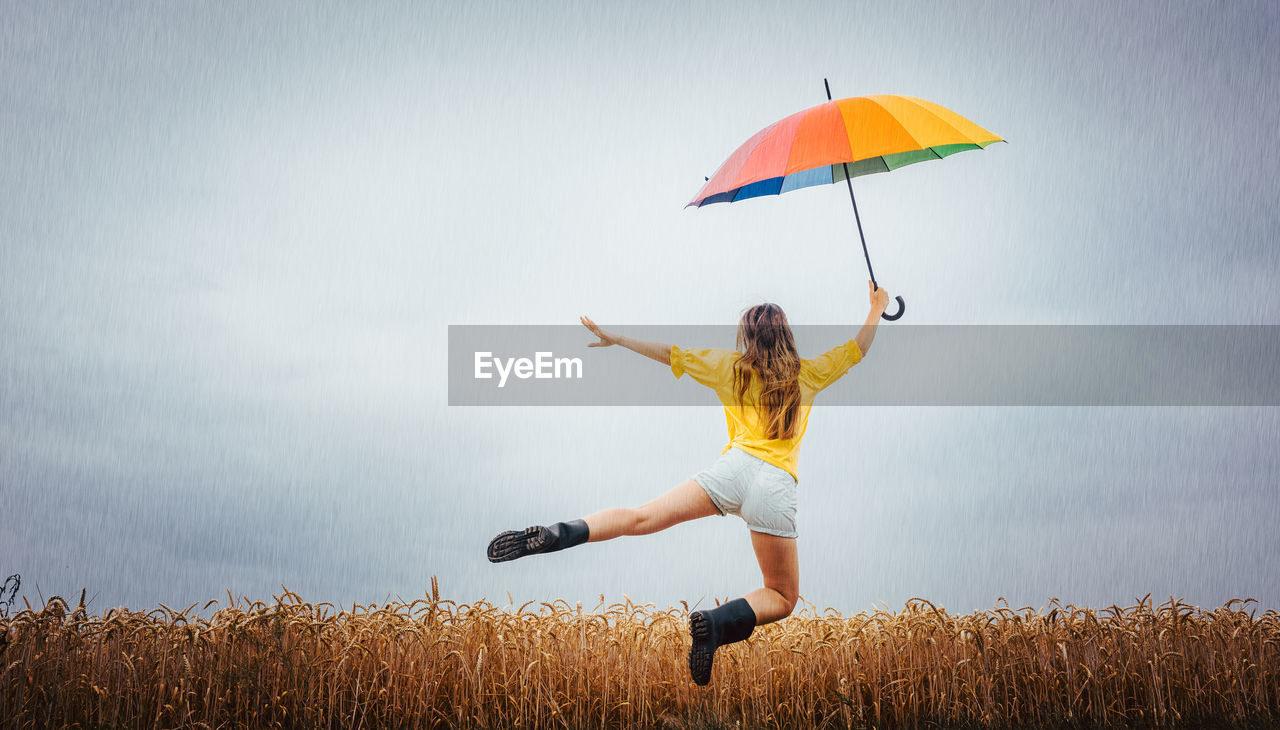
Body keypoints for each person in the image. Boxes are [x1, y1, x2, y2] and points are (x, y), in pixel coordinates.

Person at [487, 280, 891, 685]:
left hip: (731, 472)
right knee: (782, 596)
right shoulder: (810, 374)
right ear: (786, 335)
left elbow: (669, 354)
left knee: (641, 518)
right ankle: (714, 625)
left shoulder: (729, 368)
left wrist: (619, 338)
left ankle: (560, 534)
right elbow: (858, 349)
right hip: (775, 486)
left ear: (747, 336)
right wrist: (876, 307)